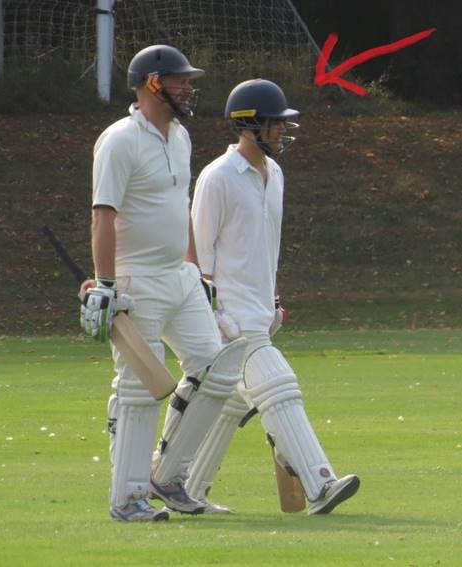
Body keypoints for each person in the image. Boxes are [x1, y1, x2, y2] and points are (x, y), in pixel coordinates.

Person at [79, 45, 247, 522]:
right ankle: (127, 499)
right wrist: (107, 284)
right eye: (180, 80)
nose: (188, 87)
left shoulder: (181, 137)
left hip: (180, 277)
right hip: (137, 279)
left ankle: (169, 477)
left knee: (218, 371)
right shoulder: (118, 140)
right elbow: (102, 215)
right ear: (154, 84)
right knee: (136, 388)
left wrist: (197, 268)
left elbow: (182, 207)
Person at [186, 79, 360, 515]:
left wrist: (274, 299)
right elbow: (196, 255)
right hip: (230, 319)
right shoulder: (218, 177)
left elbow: (266, 246)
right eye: (275, 124)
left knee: (224, 408)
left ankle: (183, 488)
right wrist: (212, 316)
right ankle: (320, 484)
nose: (283, 131)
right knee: (280, 388)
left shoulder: (275, 174)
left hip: (259, 312)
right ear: (249, 124)